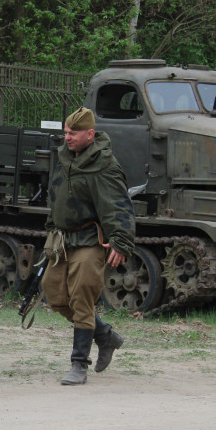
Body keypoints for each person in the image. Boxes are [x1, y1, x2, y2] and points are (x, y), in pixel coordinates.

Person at [42, 107, 136, 385]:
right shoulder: (64, 159)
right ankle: (105, 335)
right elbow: (55, 197)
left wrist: (121, 241)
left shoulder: (105, 165)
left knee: (81, 296)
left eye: (73, 133)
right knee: (55, 294)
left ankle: (79, 364)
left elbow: (119, 206)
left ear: (90, 135)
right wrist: (51, 229)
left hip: (91, 240)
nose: (67, 137)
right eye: (66, 132)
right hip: (63, 239)